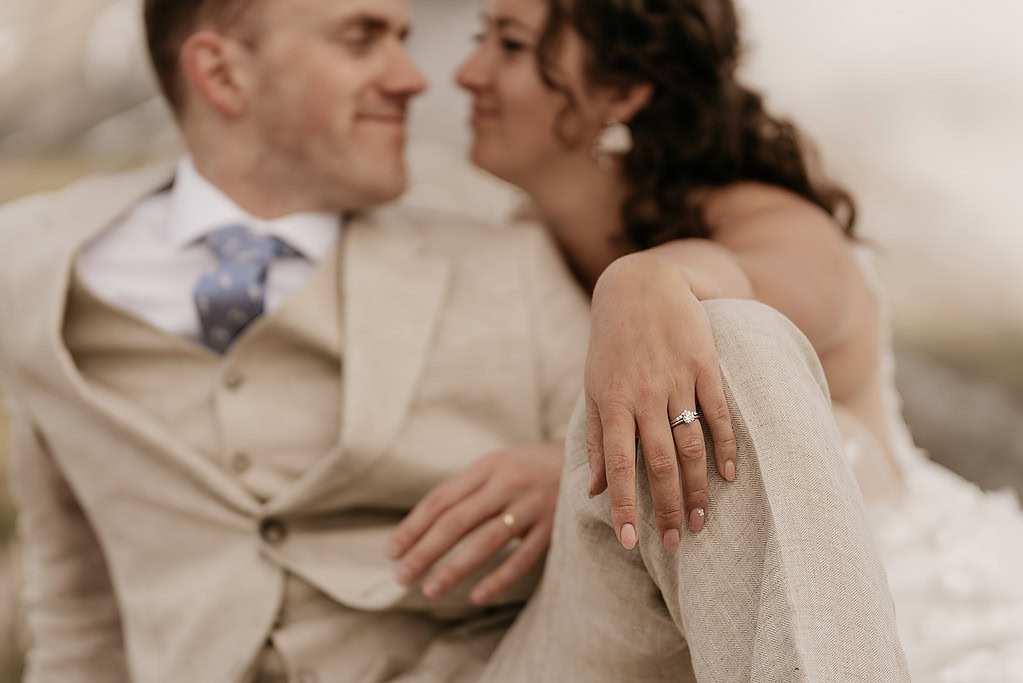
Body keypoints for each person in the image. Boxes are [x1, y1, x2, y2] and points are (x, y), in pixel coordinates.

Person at [0, 0, 907, 680]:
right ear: (223, 74)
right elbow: (74, 605)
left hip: (502, 664)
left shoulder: (507, 251)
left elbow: (643, 476)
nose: (423, 76)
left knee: (720, 344)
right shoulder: (40, 272)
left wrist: (630, 312)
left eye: (498, 45)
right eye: (363, 38)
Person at [391, 0, 1022, 678]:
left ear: (624, 92)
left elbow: (743, 300)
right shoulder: (527, 240)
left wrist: (646, 285)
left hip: (893, 620)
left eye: (510, 46)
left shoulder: (781, 228)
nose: (465, 73)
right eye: (477, 36)